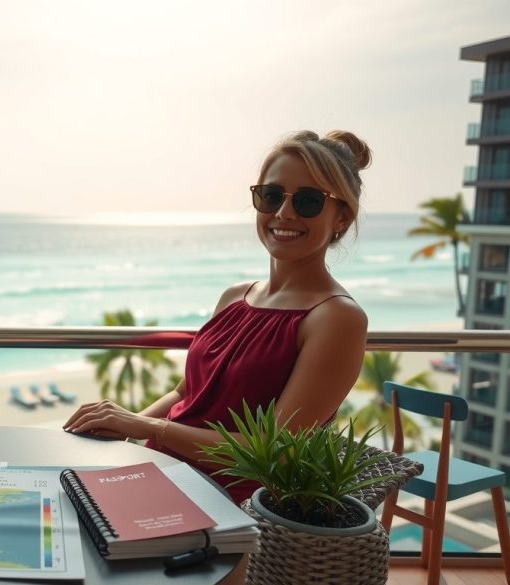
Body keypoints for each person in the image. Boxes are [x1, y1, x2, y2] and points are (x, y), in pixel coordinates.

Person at [63, 130, 371, 505]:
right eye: (271, 196)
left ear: (342, 218)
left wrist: (144, 426)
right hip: (158, 473)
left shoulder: (336, 318)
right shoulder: (234, 297)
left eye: (308, 201)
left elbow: (274, 453)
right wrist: (121, 427)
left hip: (227, 506)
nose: (283, 213)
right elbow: (184, 393)